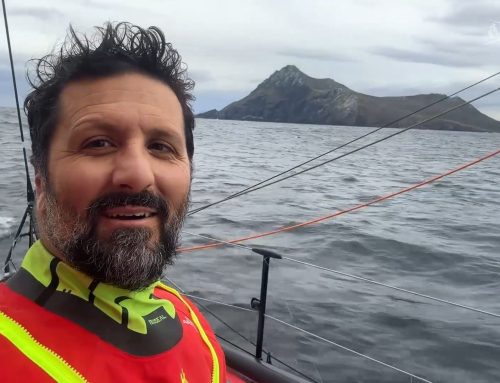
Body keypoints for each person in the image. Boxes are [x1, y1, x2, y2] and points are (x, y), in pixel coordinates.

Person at [0, 22, 228, 382]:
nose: (138, 174)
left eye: (160, 147)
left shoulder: (189, 320)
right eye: (99, 143)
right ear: (42, 183)